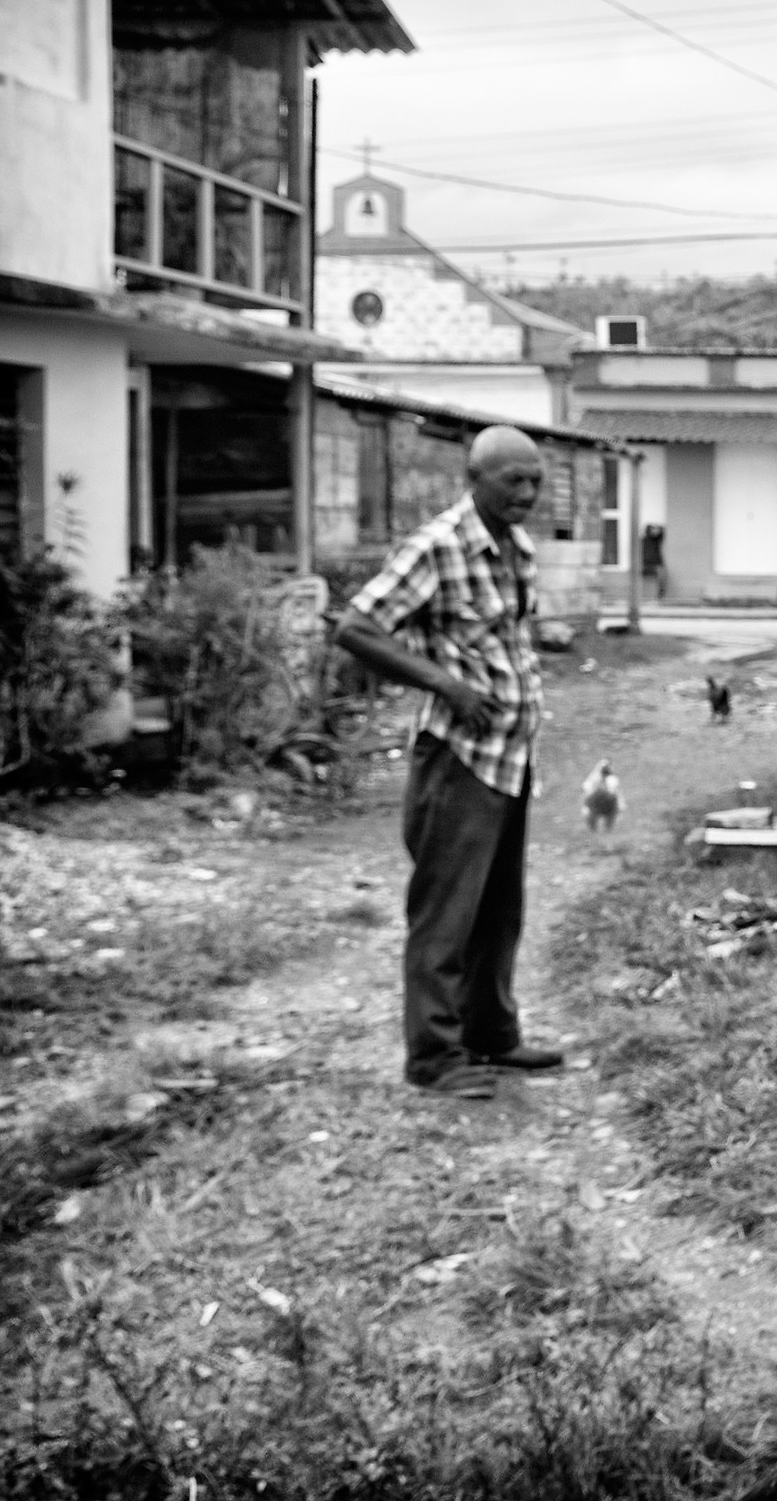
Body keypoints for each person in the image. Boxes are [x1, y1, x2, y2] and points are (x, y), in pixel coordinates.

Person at [335, 426, 564, 1100]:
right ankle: (433, 1056)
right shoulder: (436, 546)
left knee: (499, 908)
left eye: (535, 481)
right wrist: (446, 685)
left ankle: (491, 1033)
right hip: (458, 758)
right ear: (474, 478)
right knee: (446, 912)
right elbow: (356, 627)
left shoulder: (517, 547)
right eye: (512, 480)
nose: (526, 493)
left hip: (510, 755)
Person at [640, 521, 667, 601]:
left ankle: (660, 595)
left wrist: (657, 528)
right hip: (645, 564)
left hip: (656, 564)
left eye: (655, 530)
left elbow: (661, 531)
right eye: (652, 530)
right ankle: (638, 595)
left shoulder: (656, 540)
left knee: (662, 575)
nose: (654, 531)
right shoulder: (643, 540)